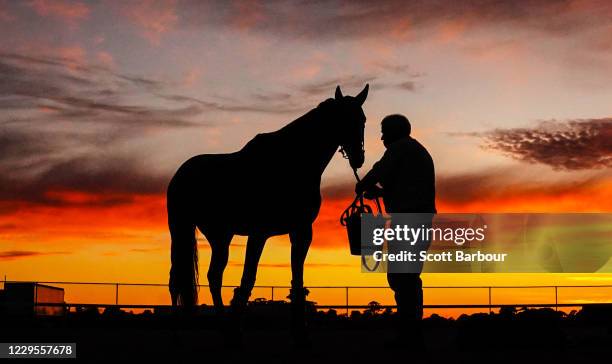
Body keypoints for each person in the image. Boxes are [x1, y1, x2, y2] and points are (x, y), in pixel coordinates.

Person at [356, 114, 436, 347]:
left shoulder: (399, 148)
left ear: (394, 131)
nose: (381, 137)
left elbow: (380, 170)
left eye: (384, 131)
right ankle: (412, 333)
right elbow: (405, 184)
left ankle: (409, 335)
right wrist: (381, 193)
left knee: (401, 277)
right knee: (408, 277)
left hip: (409, 220)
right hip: (419, 218)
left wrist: (362, 185)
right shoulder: (414, 150)